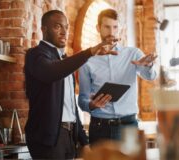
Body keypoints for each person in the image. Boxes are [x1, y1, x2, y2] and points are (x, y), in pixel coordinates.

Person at [24, 10, 118, 159]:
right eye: (57, 27)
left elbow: (71, 107)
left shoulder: (65, 60)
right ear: (44, 29)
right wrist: (90, 52)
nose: (64, 32)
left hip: (69, 137)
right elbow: (51, 72)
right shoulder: (35, 55)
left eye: (66, 27)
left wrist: (83, 141)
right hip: (48, 139)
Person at [78, 9, 158, 145]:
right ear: (98, 28)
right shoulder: (88, 60)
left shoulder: (133, 54)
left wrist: (148, 65)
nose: (111, 31)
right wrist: (91, 105)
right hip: (100, 128)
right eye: (107, 27)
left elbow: (150, 76)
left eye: (115, 27)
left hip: (129, 126)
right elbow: (82, 99)